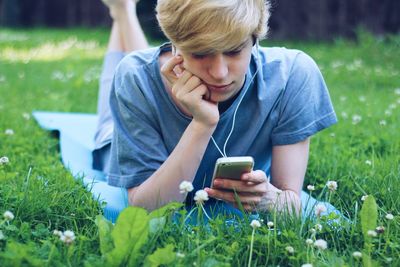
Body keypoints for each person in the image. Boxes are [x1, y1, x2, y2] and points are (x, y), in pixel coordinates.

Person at [98, 0, 338, 218]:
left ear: (255, 38)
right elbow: (147, 210)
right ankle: (123, 11)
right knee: (136, 72)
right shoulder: (135, 77)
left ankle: (123, 10)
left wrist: (270, 200)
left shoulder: (291, 75)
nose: (220, 73)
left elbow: (290, 199)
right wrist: (202, 124)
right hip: (114, 139)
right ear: (176, 47)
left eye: (234, 50)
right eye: (201, 53)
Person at [93, 0, 148, 175]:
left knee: (113, 84)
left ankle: (123, 8)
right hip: (121, 145)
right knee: (116, 84)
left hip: (118, 142)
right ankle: (123, 8)